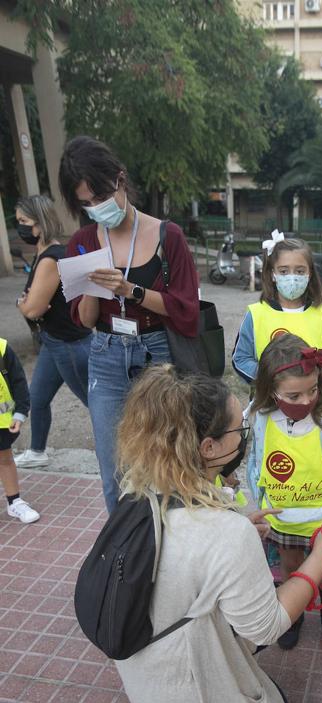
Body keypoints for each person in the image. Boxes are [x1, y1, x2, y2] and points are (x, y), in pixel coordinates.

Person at [106, 364, 322, 703]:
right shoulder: (225, 532)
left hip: (141, 668)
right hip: (186, 678)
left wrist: (237, 523)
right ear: (209, 447)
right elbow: (265, 627)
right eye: (239, 430)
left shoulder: (138, 488)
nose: (245, 437)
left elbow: (188, 551)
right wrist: (321, 557)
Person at [58, 136, 199, 512]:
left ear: (120, 180)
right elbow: (85, 320)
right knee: (114, 473)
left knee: (167, 466)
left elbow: (185, 310)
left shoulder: (168, 236)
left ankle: (169, 540)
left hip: (158, 356)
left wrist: (130, 290)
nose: (96, 208)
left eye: (101, 197)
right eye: (86, 203)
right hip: (105, 355)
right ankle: (123, 545)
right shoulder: (83, 242)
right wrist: (92, 287)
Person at [246, 333, 322, 650]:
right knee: (291, 567)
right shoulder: (258, 417)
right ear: (270, 389)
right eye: (293, 396)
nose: (306, 401)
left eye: (313, 390)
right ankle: (292, 617)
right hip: (284, 517)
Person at [13, 195, 92, 468]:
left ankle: (129, 458)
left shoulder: (51, 258)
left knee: (98, 406)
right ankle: (37, 451)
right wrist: (29, 304)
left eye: (24, 221)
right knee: (38, 397)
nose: (20, 226)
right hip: (53, 340)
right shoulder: (43, 254)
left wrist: (23, 304)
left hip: (70, 344)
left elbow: (33, 308)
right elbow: (34, 306)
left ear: (40, 222)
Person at [232, 231, 322, 385]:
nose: (292, 278)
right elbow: (241, 359)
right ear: (272, 274)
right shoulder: (256, 315)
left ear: (310, 274)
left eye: (300, 271)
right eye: (284, 271)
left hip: (313, 396)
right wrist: (270, 378)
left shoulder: (320, 314)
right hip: (269, 397)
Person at [0, 338, 40, 523]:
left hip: (2, 422)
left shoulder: (2, 347)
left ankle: (14, 502)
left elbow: (19, 382)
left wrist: (20, 413)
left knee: (5, 460)